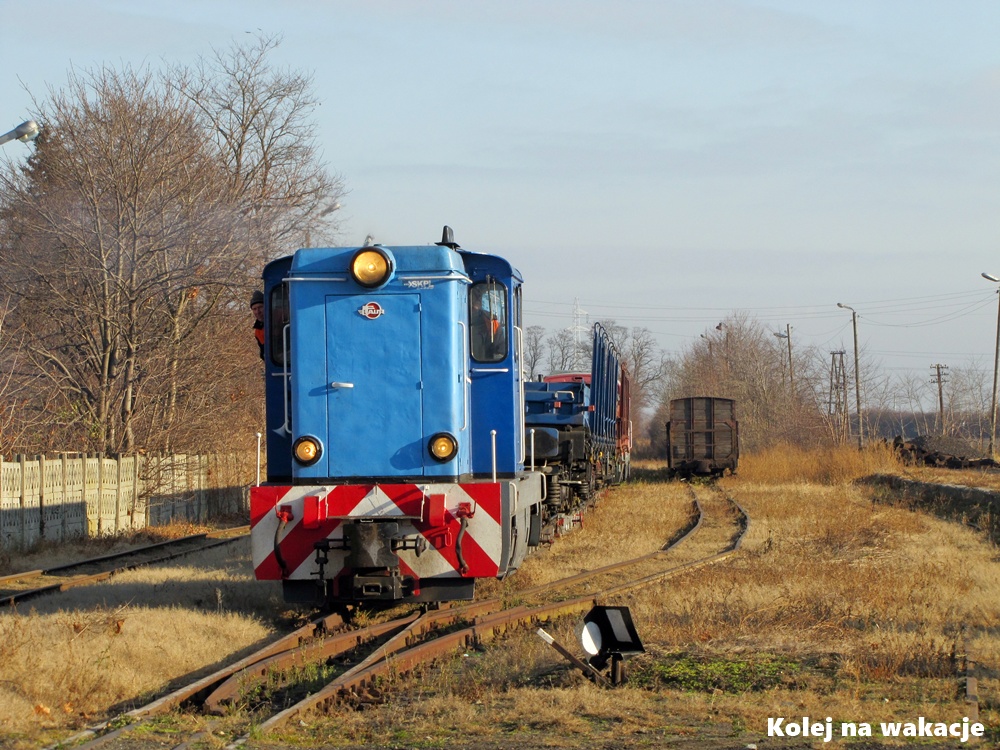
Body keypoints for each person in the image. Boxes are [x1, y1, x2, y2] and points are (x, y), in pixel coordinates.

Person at [250, 290, 265, 359]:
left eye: (260, 307)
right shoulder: (258, 331)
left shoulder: (280, 320)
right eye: (254, 309)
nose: (257, 312)